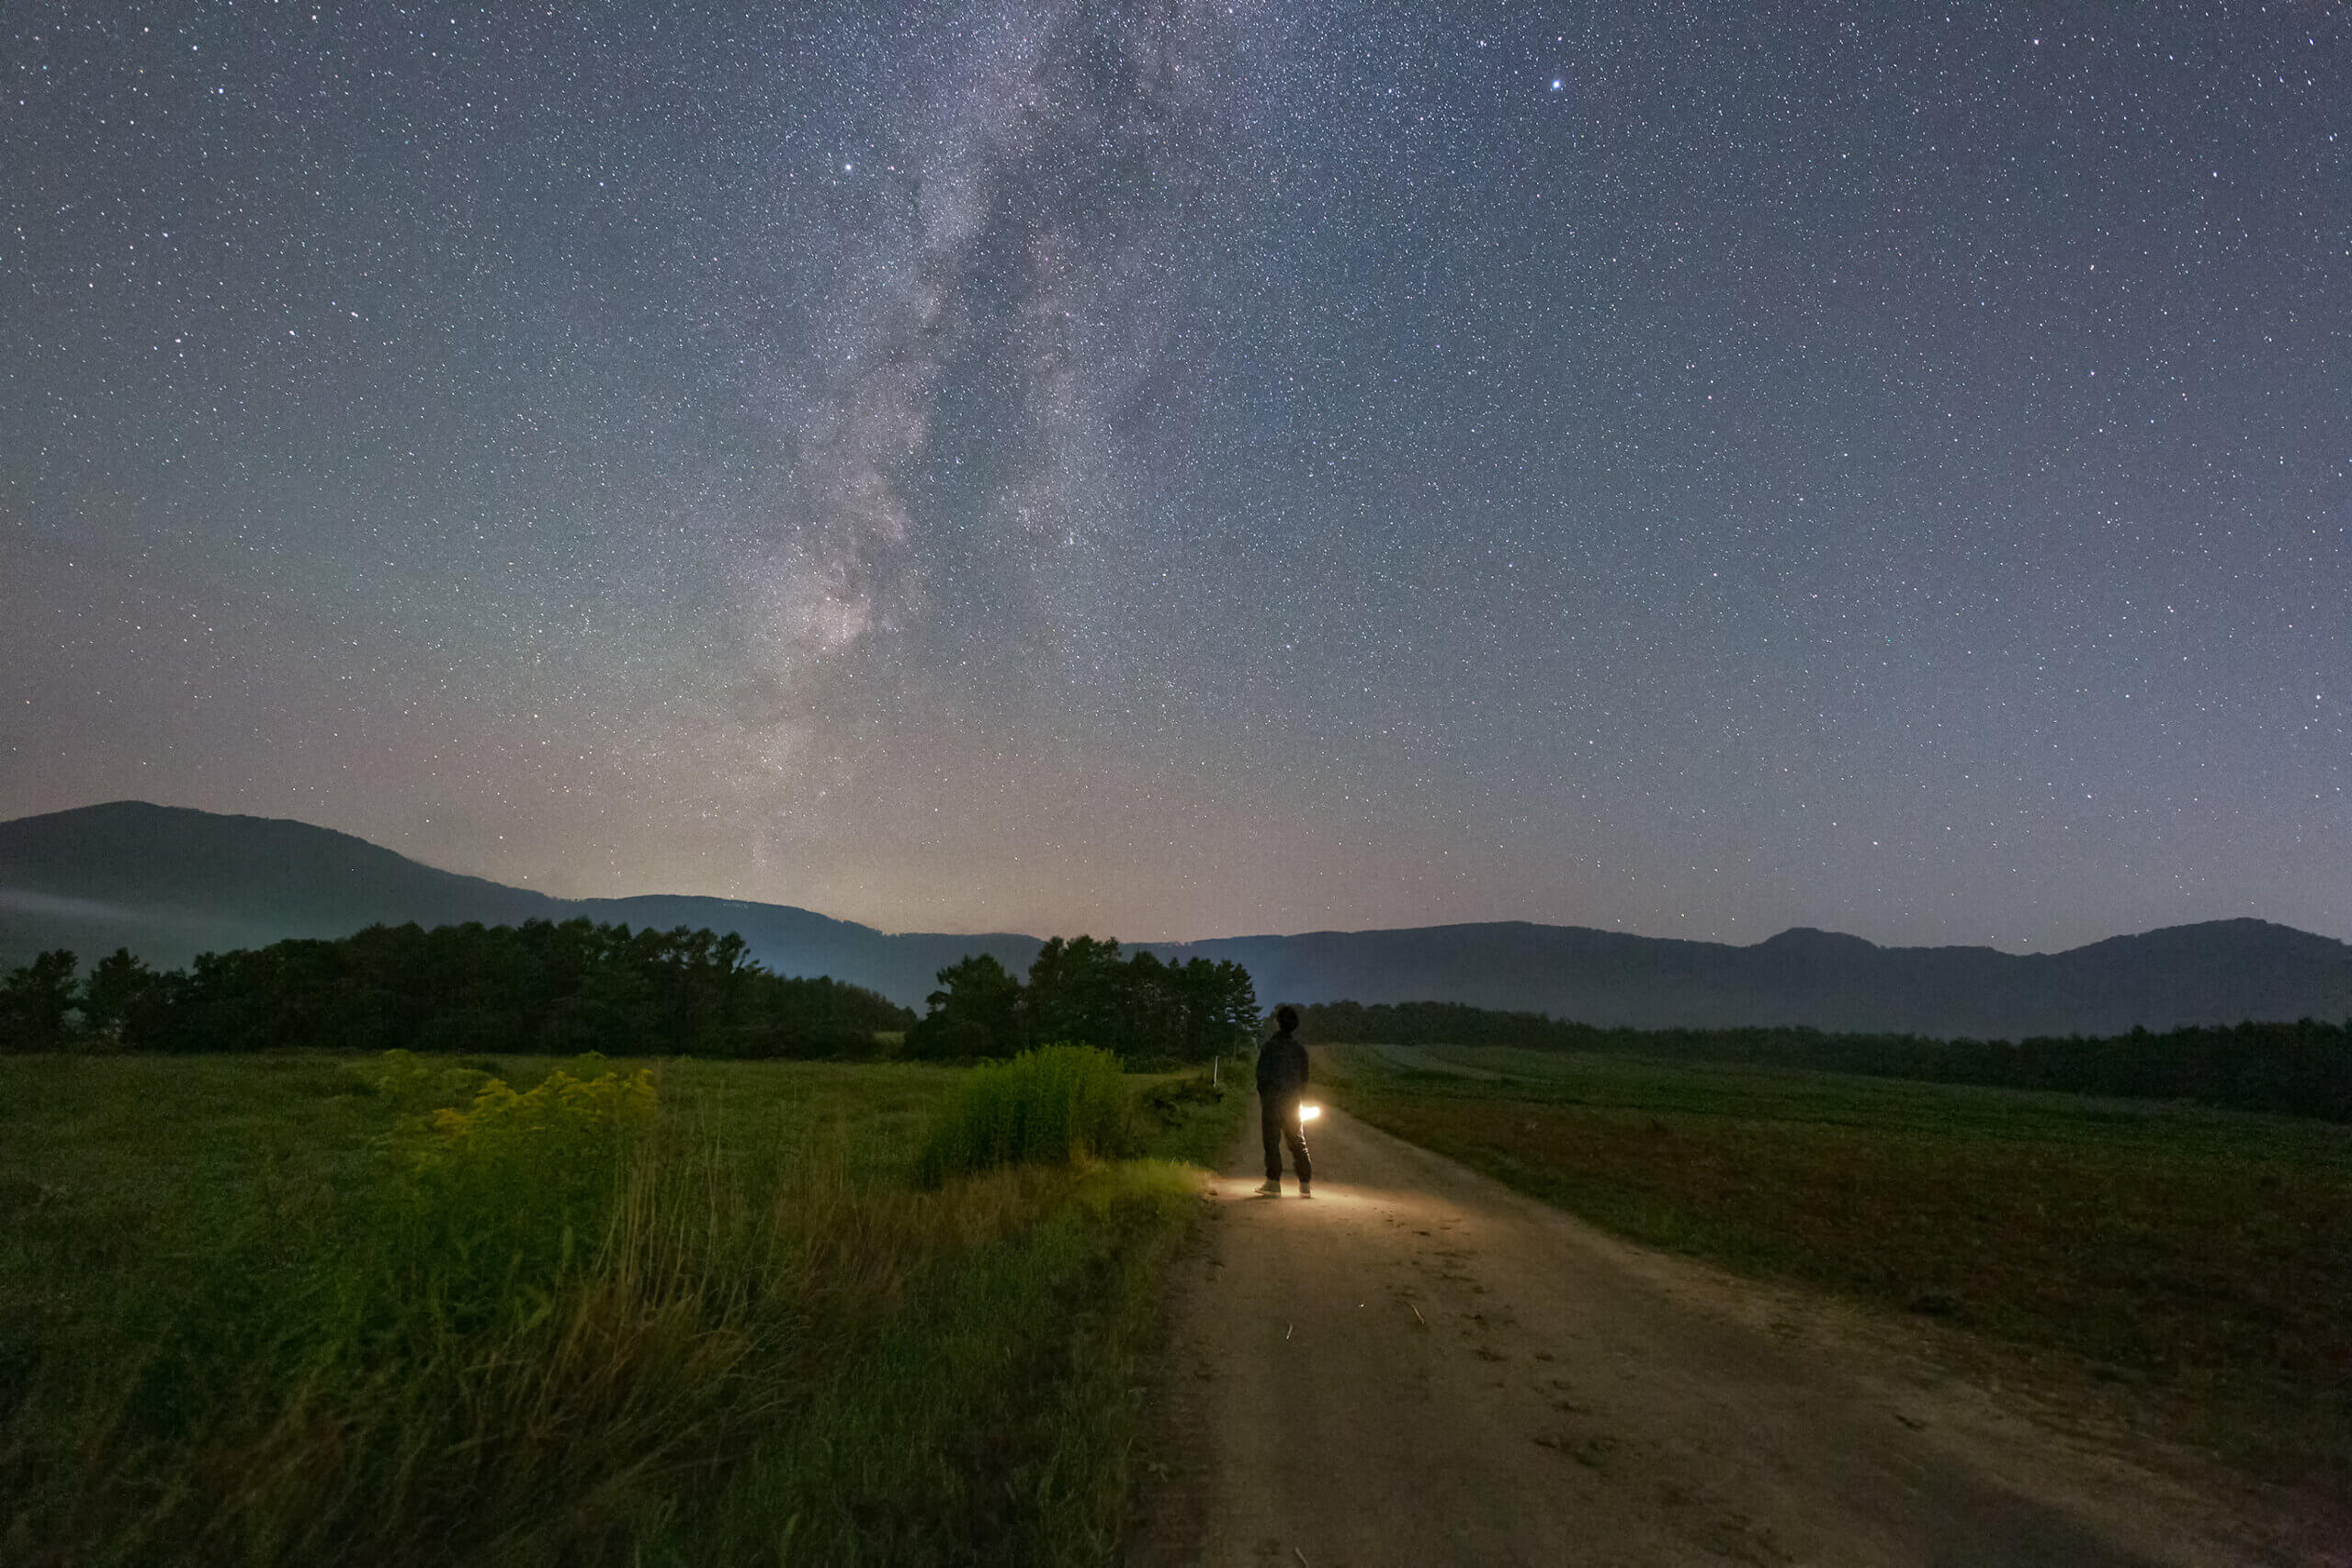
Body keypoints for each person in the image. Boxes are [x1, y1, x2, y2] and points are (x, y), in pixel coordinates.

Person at [1254, 1004, 1312, 1197]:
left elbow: (1261, 1075)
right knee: (1297, 1140)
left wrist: (1265, 1096)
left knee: (1271, 1142)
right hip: (1293, 1102)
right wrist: (1299, 1097)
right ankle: (1305, 1185)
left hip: (1272, 1101)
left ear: (1278, 1023)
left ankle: (1273, 1183)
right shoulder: (1299, 1050)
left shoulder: (1269, 1047)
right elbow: (1305, 1078)